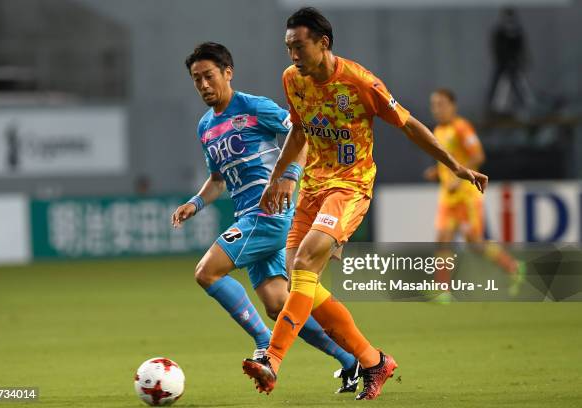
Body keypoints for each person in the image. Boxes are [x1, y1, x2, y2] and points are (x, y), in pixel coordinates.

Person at [241, 7, 488, 400]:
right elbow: (301, 129)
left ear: (323, 43)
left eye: (299, 46)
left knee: (305, 264)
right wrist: (278, 177)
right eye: (288, 47)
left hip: (350, 186)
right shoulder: (293, 80)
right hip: (312, 187)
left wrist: (454, 165)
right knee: (299, 282)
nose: (292, 56)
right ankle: (374, 361)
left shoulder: (360, 82)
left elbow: (408, 125)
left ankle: (272, 359)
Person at [172, 42, 361, 395]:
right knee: (278, 305)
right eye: (196, 79)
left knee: (207, 272)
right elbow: (217, 180)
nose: (203, 85)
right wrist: (195, 204)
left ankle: (264, 346)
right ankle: (352, 362)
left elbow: (303, 136)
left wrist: (290, 178)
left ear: (228, 73)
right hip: (247, 215)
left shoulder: (253, 107)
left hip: (270, 213)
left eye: (209, 76)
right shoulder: (205, 126)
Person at [425, 88, 524, 300]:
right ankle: (443, 290)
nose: (437, 109)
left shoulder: (461, 127)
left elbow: (477, 155)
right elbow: (450, 160)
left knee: (474, 242)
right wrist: (438, 172)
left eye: (441, 104)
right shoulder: (439, 130)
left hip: (466, 195)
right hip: (447, 196)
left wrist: (457, 178)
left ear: (453, 106)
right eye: (434, 105)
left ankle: (513, 266)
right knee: (443, 239)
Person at [487, 8, 534, 114]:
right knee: (501, 88)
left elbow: (522, 49)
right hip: (504, 66)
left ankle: (526, 107)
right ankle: (497, 109)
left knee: (522, 87)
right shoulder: (499, 33)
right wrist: (505, 61)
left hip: (515, 65)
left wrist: (522, 60)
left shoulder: (518, 33)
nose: (509, 22)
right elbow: (497, 50)